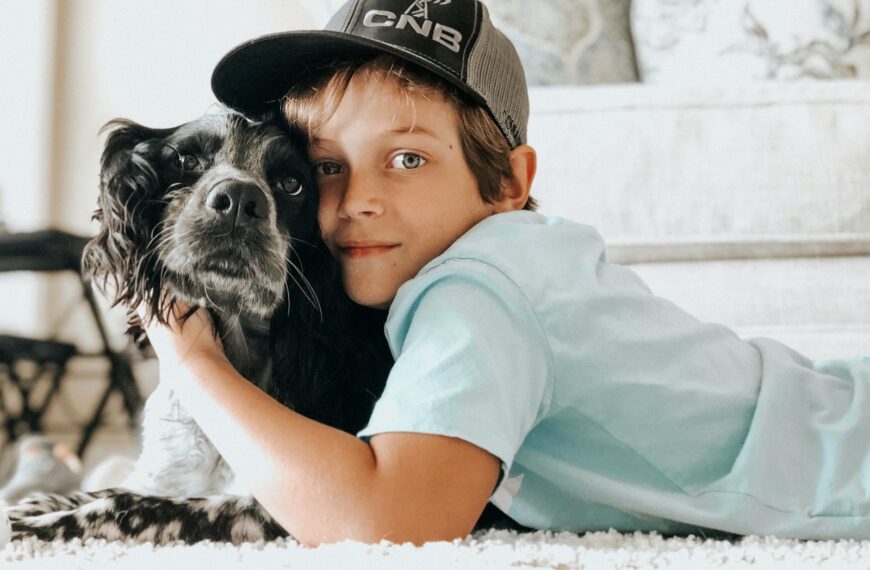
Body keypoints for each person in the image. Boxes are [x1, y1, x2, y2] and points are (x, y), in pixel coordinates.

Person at [143, 0, 870, 547]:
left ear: (506, 184)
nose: (358, 200)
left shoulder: (481, 290)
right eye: (329, 167)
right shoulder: (513, 266)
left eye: (407, 159)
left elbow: (388, 519)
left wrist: (193, 360)